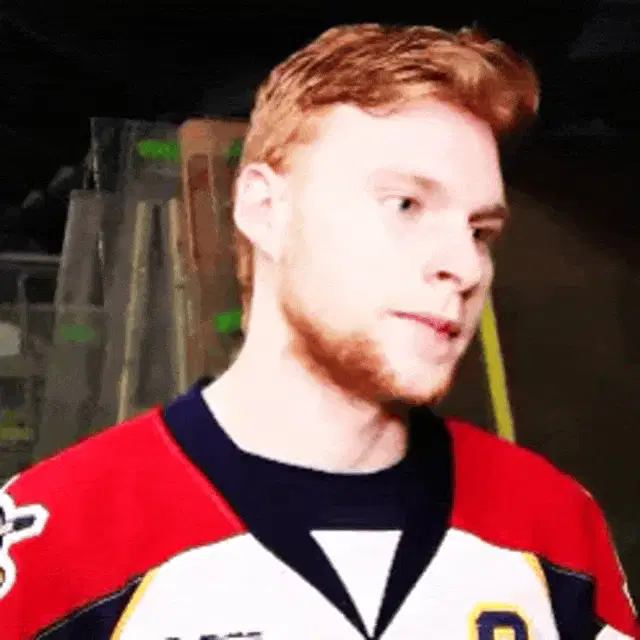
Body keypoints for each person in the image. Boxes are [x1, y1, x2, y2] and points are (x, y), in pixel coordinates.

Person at [0, 23, 637, 640]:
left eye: (480, 231)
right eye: (405, 204)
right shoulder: (54, 539)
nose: (466, 267)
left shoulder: (557, 525)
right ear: (264, 209)